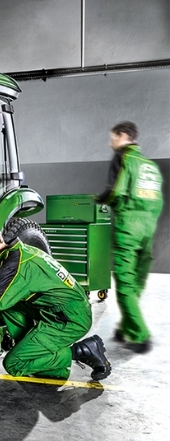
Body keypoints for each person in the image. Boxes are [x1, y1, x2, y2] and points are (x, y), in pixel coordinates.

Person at [0, 221, 111, 381]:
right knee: (9, 305)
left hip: (70, 319)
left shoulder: (15, 266)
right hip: (59, 309)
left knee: (15, 364)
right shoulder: (18, 252)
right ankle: (50, 363)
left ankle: (82, 350)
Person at [95, 121, 163, 354]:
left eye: (113, 137)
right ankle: (127, 326)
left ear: (123, 136)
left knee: (124, 283)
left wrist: (97, 201)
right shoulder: (149, 165)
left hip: (129, 228)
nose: (110, 142)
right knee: (137, 281)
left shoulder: (123, 158)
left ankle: (140, 335)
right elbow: (157, 198)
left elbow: (114, 191)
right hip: (149, 227)